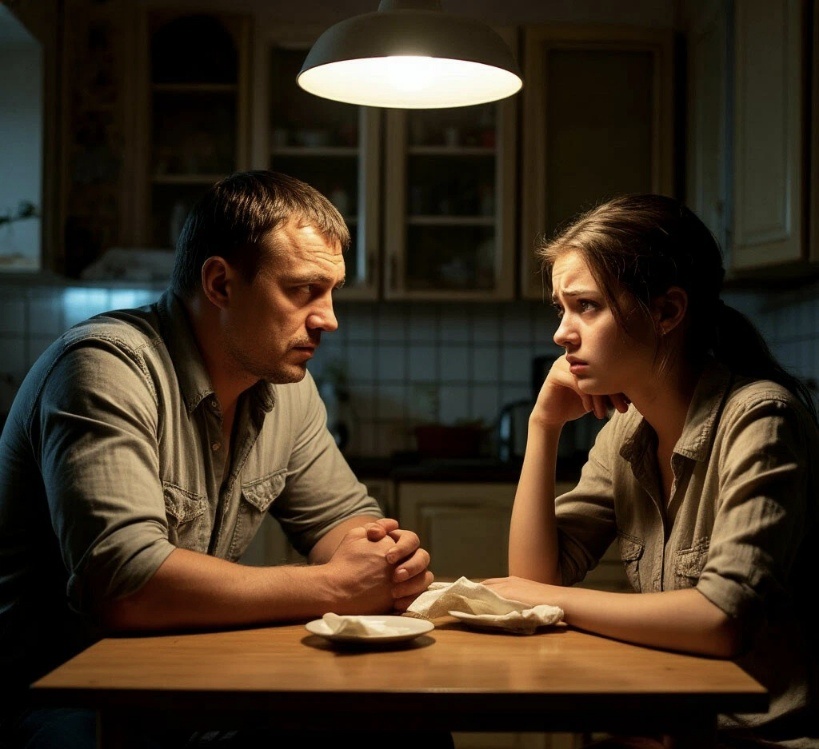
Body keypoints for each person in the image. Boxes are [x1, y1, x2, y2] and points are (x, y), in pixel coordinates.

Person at [0, 170, 448, 749]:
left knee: (408, 726)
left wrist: (385, 559)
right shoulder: (105, 368)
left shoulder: (283, 385)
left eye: (332, 291)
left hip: (182, 685)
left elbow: (341, 521)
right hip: (62, 699)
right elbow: (124, 584)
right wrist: (336, 585)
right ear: (219, 284)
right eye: (303, 290)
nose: (329, 318)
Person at [482, 194, 819, 748]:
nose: (562, 333)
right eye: (561, 309)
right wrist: (543, 427)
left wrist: (545, 599)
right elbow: (538, 576)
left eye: (586, 306)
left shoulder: (761, 418)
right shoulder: (625, 429)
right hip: (679, 730)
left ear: (667, 312)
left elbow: (723, 619)